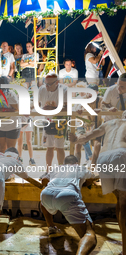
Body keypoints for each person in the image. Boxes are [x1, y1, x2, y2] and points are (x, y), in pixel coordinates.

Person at [69, 112, 126, 255]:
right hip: (122, 154)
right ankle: (125, 250)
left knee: (119, 199)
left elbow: (86, 137)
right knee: (124, 202)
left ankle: (124, 244)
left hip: (104, 158)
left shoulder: (110, 123)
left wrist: (75, 139)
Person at [40, 155, 97, 255]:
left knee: (44, 201)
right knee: (89, 233)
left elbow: (44, 180)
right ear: (76, 163)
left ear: (64, 163)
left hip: (47, 193)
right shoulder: (80, 168)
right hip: (68, 194)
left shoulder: (56, 168)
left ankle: (51, 227)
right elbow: (92, 178)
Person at [38, 74, 67, 171]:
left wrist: (53, 108)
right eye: (45, 83)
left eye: (49, 84)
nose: (46, 86)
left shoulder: (64, 90)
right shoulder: (42, 89)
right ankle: (48, 170)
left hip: (60, 121)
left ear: (57, 83)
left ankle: (60, 169)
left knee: (60, 147)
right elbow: (37, 104)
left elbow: (67, 108)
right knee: (49, 147)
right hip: (48, 121)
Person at [0, 76, 21, 153]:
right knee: (1, 149)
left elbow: (17, 109)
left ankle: (12, 164)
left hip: (12, 125)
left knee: (10, 150)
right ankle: (3, 165)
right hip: (0, 125)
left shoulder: (10, 94)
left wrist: (2, 109)